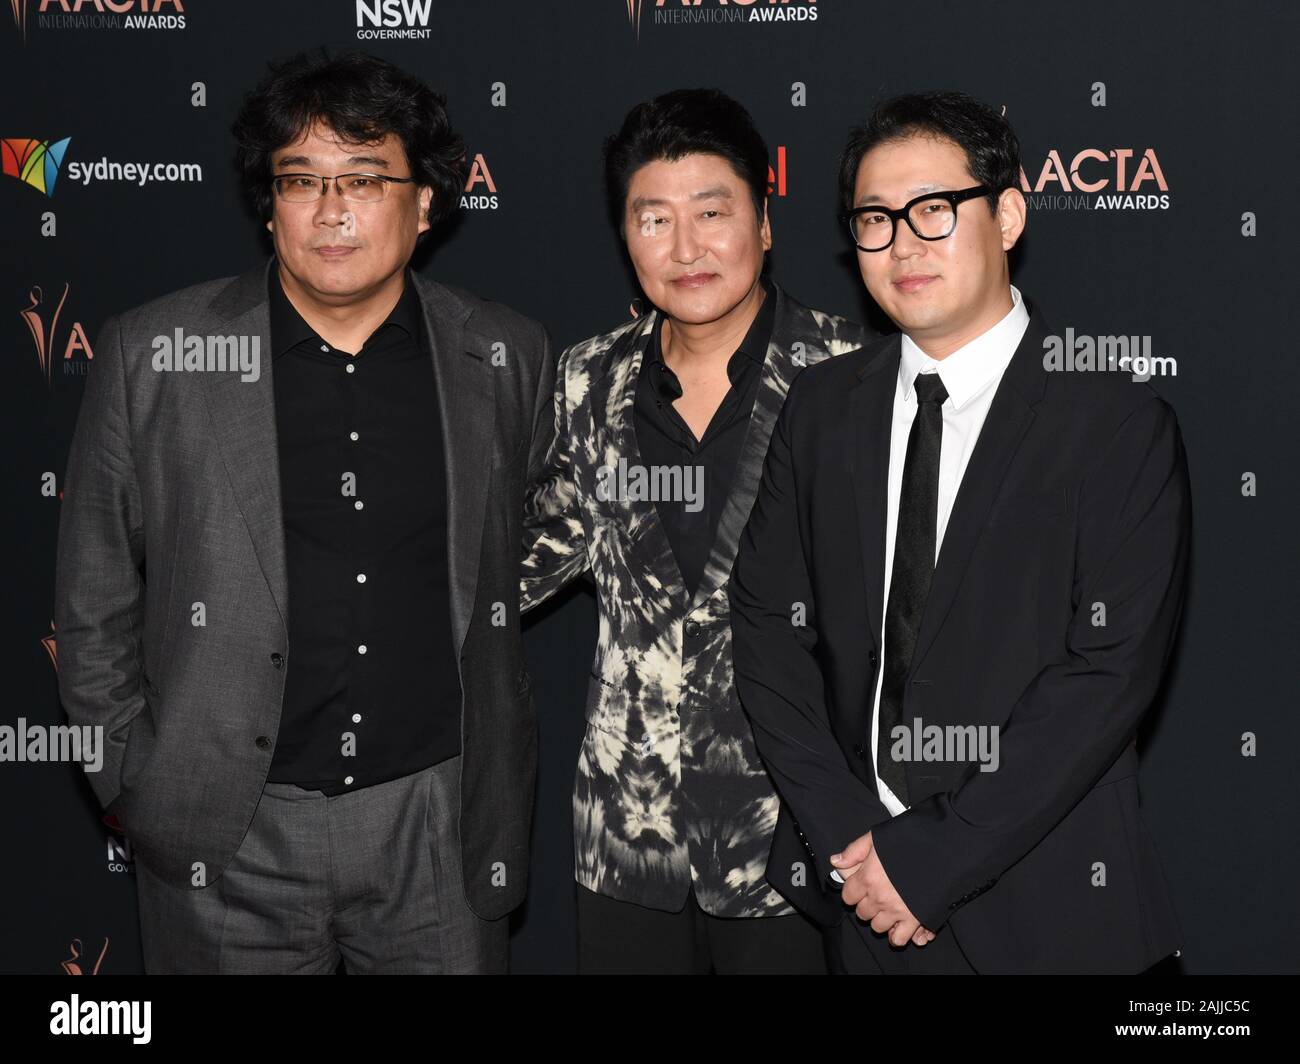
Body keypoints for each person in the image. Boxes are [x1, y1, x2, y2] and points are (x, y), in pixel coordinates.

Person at [54, 49, 555, 974]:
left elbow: (520, 550)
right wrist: (140, 781)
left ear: (426, 202)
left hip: (437, 830)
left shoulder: (505, 356)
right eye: (301, 180)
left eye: (364, 179)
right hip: (223, 836)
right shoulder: (155, 356)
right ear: (269, 202)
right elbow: (91, 603)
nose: (330, 210)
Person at [729, 91, 1190, 974]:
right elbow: (766, 631)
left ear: (1008, 213)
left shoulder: (1114, 421)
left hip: (1051, 909)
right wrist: (853, 840)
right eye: (875, 219)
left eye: (935, 210)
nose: (903, 243)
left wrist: (926, 860)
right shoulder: (822, 411)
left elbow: (1106, 676)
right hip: (858, 900)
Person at [521, 88, 872, 974]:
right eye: (654, 219)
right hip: (624, 843)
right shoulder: (584, 379)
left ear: (763, 219)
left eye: (712, 213)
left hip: (800, 843)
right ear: (625, 236)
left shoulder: (852, 376)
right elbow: (539, 547)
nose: (686, 248)